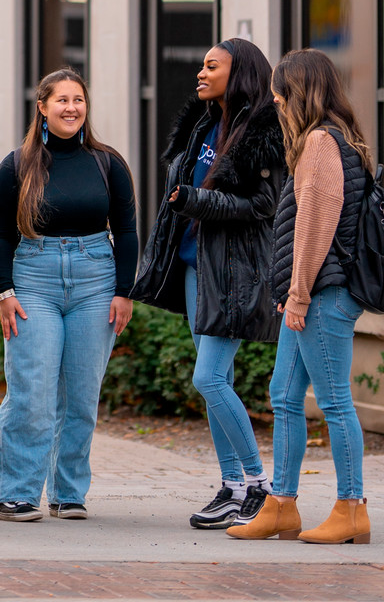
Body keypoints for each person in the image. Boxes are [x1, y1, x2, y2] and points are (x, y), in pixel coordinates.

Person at [131, 38, 284, 529]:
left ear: (238, 73)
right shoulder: (204, 124)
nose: (200, 72)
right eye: (201, 65)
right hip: (197, 266)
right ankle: (231, 486)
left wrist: (198, 201)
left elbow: (265, 208)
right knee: (216, 381)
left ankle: (261, 486)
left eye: (211, 66)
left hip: (235, 273)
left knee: (209, 378)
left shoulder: (264, 130)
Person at [228, 47, 372, 547]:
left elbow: (315, 225)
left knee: (333, 402)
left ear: (299, 92)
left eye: (280, 92)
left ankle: (352, 508)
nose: (275, 101)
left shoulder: (319, 142)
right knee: (284, 397)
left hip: (322, 295)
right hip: (314, 293)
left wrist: (298, 294)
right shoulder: (341, 137)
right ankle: (282, 506)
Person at [0, 68, 137, 524]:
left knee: (81, 395)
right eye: (62, 100)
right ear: (42, 107)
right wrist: (3, 293)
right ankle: (13, 493)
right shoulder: (16, 165)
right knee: (32, 391)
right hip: (33, 277)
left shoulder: (107, 163)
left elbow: (128, 232)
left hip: (96, 278)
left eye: (79, 100)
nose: (72, 108)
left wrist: (124, 292)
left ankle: (68, 492)